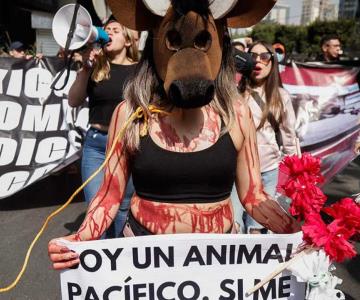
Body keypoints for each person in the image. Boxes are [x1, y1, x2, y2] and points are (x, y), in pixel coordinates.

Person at [48, 0, 300, 270]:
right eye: (174, 41)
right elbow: (109, 197)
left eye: (203, 41)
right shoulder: (130, 113)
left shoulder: (236, 113)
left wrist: (296, 232)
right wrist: (77, 239)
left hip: (217, 262)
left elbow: (254, 197)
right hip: (146, 262)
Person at [67, 18, 139, 238]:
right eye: (106, 30)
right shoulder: (96, 68)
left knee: (121, 208)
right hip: (96, 147)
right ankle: (102, 259)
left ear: (127, 40)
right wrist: (85, 69)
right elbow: (73, 100)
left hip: (127, 145)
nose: (108, 33)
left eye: (115, 30)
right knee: (96, 207)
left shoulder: (139, 71)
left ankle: (117, 257)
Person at [232, 41, 297, 234]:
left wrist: (297, 173)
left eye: (265, 57)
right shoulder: (233, 94)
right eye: (253, 56)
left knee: (257, 230)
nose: (258, 61)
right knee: (234, 227)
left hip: (268, 172)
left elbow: (289, 135)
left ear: (273, 62)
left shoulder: (281, 96)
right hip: (236, 174)